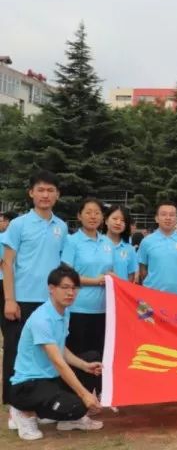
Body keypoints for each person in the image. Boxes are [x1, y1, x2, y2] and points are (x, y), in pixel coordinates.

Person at [7, 265, 103, 441]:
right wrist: (84, 394)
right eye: (65, 287)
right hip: (28, 385)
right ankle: (23, 412)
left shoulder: (64, 312)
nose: (70, 293)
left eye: (74, 288)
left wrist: (84, 365)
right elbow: (58, 361)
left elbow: (61, 348)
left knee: (92, 360)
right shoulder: (41, 319)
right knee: (79, 406)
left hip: (50, 379)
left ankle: (67, 418)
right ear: (51, 289)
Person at [3, 170, 67, 413]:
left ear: (57, 195)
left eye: (50, 190)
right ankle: (15, 406)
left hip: (49, 302)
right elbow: (7, 263)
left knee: (47, 353)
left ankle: (43, 404)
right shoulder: (18, 224)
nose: (45, 195)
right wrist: (10, 299)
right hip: (22, 300)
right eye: (40, 190)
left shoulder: (61, 226)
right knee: (16, 352)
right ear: (31, 193)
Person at [61, 198, 114, 357]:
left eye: (97, 213)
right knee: (79, 355)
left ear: (102, 217)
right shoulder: (72, 241)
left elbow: (110, 272)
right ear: (79, 216)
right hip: (78, 308)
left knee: (99, 355)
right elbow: (66, 275)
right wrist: (95, 281)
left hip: (104, 309)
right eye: (88, 212)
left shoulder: (107, 242)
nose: (93, 216)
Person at [137, 201, 177, 295]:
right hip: (151, 294)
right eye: (163, 214)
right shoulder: (146, 241)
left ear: (176, 218)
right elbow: (142, 269)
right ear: (157, 218)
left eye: (172, 215)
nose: (168, 218)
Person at [103, 205, 138, 282]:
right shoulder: (97, 244)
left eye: (122, 220)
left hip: (120, 289)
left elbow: (130, 277)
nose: (118, 223)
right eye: (115, 219)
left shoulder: (130, 249)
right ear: (106, 221)